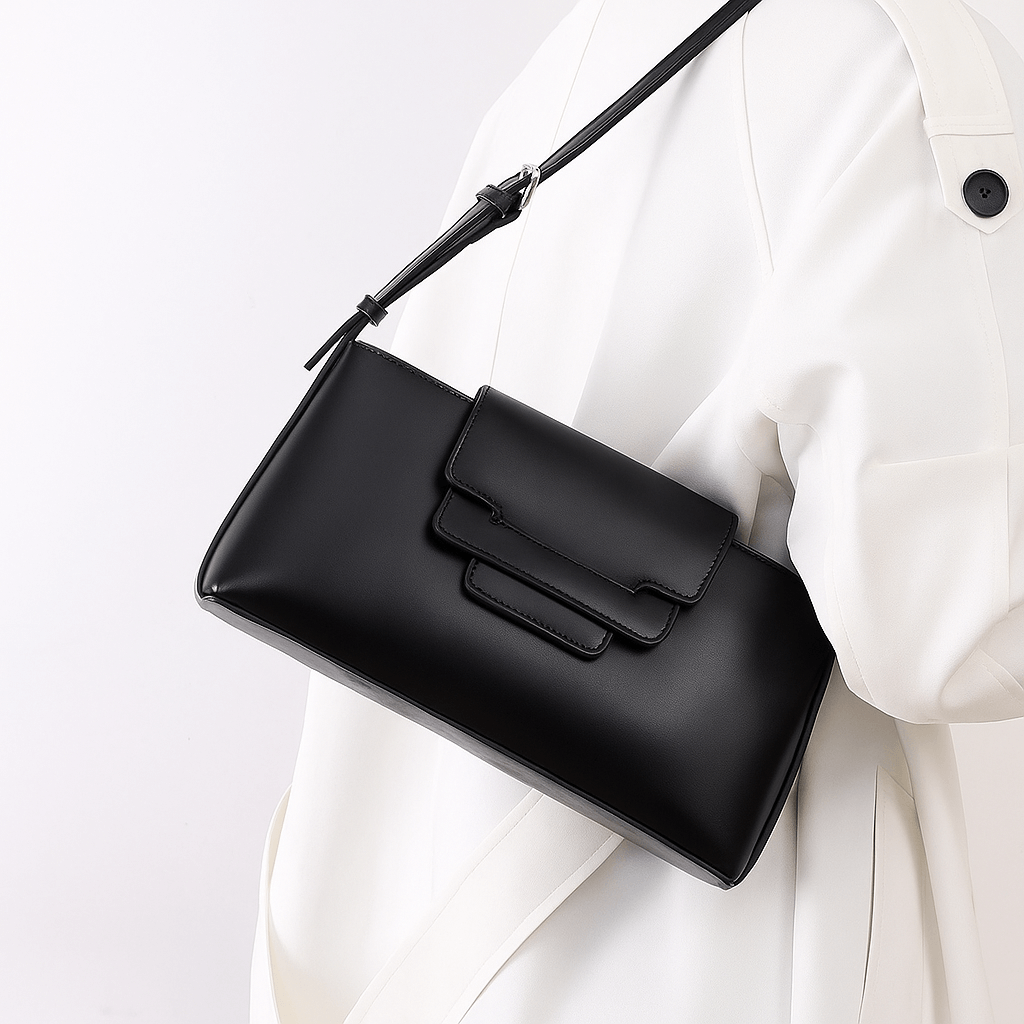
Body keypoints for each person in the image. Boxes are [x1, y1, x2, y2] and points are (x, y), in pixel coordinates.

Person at [250, 0, 1024, 1021]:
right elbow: (954, 628)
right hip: (721, 951)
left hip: (424, 907)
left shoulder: (585, 47)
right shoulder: (906, 63)